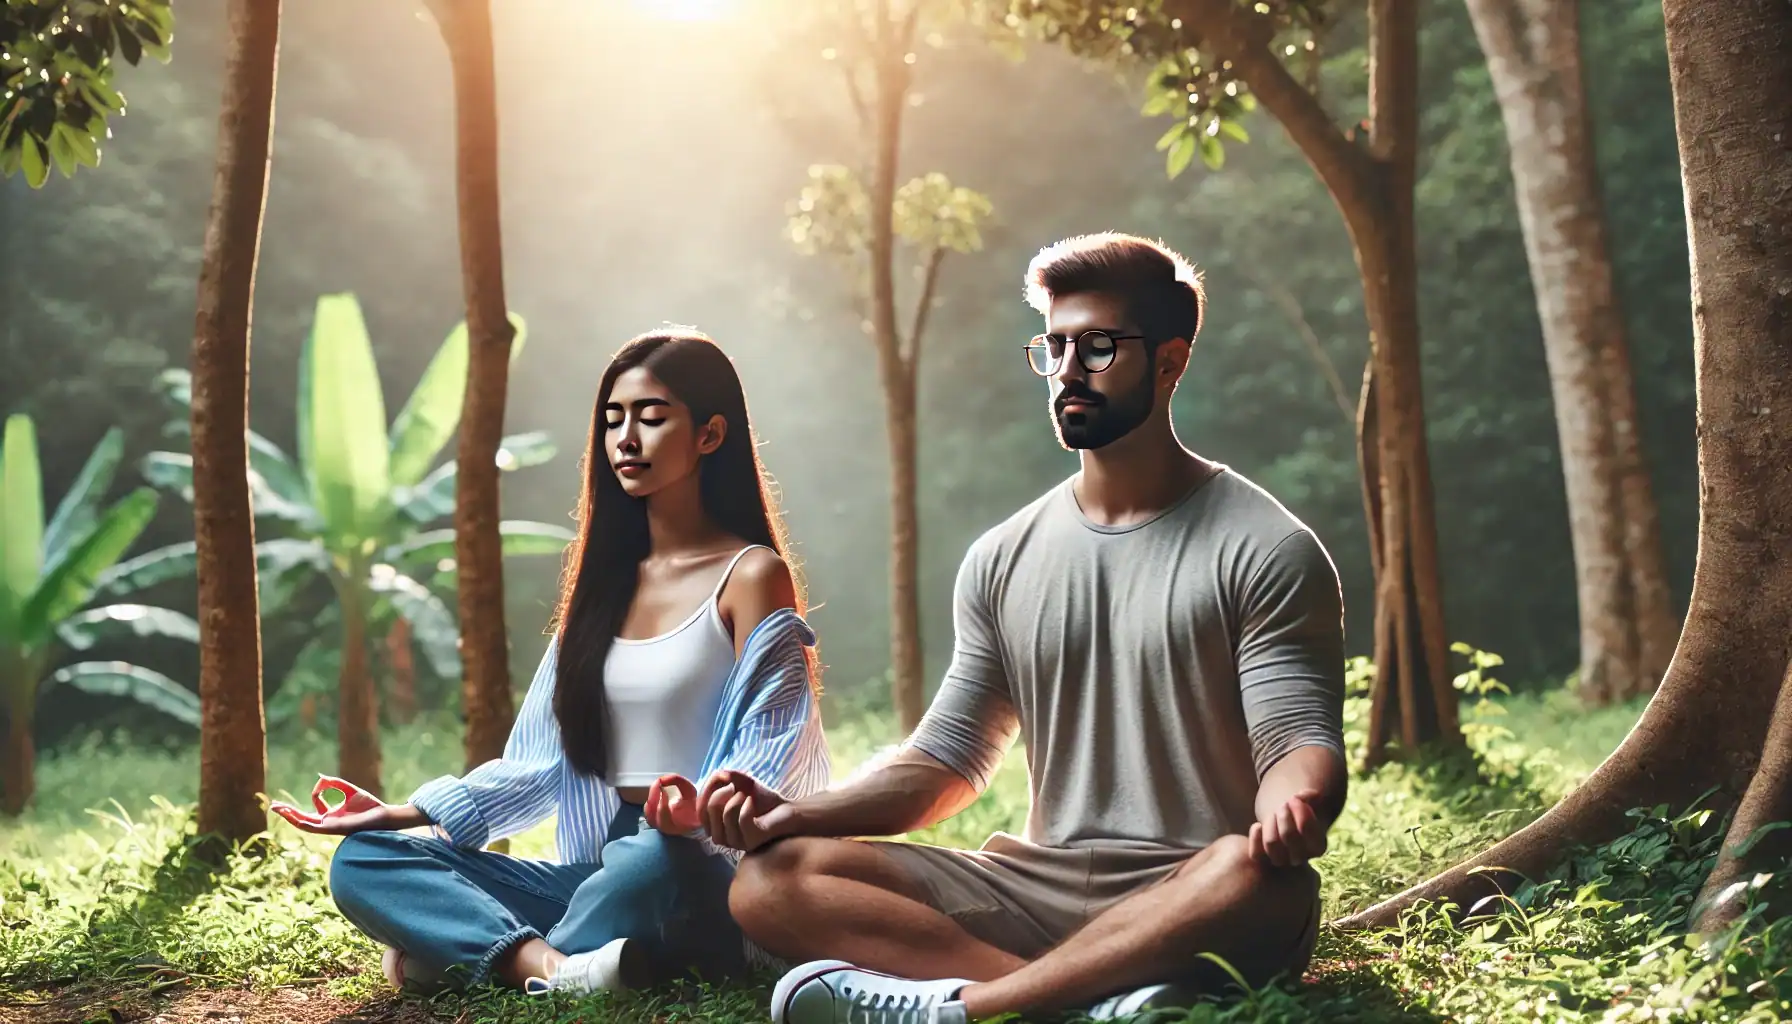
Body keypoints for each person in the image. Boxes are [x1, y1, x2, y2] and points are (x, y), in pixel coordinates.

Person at [696, 233, 1349, 1024]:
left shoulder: (1267, 548)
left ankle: (978, 1007)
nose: (1070, 370)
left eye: (1099, 347)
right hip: (1035, 887)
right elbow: (946, 763)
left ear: (1171, 363)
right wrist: (789, 814)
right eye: (1056, 346)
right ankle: (1082, 1003)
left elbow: (1295, 747)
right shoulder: (1003, 558)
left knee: (1255, 876)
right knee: (770, 878)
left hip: (1190, 888)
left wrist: (1296, 804)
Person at [271, 329, 830, 997]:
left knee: (653, 860)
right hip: (592, 874)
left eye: (652, 419)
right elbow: (537, 767)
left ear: (710, 436)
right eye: (613, 420)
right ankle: (557, 969)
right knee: (365, 861)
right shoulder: (602, 590)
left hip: (700, 866)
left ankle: (474, 953)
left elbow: (774, 740)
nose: (626, 438)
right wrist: (400, 814)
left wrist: (703, 811)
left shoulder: (751, 575)